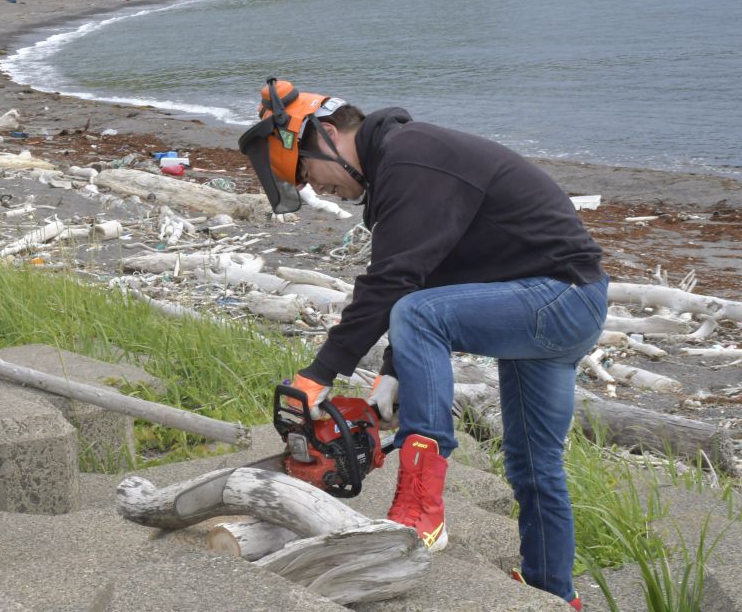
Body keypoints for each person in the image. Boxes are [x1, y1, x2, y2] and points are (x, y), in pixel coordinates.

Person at [237, 78, 605, 611]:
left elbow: (393, 284)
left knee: (415, 313)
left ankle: (422, 507)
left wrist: (320, 373)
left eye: (307, 174)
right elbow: (426, 275)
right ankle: (553, 593)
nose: (317, 190)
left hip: (555, 297)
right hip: (559, 303)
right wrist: (391, 374)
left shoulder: (411, 159)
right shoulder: (406, 165)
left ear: (327, 134)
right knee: (533, 466)